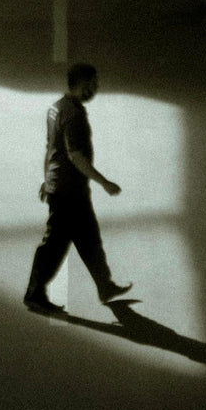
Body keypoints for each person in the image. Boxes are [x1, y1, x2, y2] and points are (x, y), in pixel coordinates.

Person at [24, 63, 132, 316]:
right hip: (68, 192)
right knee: (54, 245)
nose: (96, 89)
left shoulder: (56, 108)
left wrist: (46, 179)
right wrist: (104, 182)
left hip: (63, 187)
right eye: (94, 84)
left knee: (89, 239)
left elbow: (51, 148)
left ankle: (105, 286)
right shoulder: (74, 114)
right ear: (83, 84)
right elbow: (75, 156)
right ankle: (34, 294)